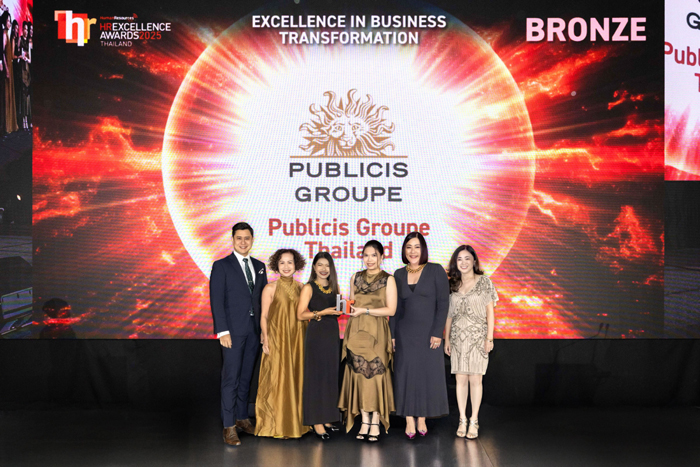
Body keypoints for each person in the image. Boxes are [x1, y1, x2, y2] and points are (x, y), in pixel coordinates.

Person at [210, 222, 268, 446]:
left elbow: (263, 302)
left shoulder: (260, 266)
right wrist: (222, 331)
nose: (243, 242)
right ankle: (229, 426)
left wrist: (264, 330)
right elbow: (217, 300)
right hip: (232, 332)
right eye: (239, 238)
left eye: (247, 238)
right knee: (231, 378)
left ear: (252, 240)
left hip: (254, 332)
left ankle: (242, 418)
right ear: (233, 240)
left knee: (246, 377)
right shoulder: (221, 266)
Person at [391, 232, 450, 439]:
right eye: (409, 247)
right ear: (404, 250)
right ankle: (409, 418)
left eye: (417, 247)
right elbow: (395, 309)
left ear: (423, 249)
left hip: (429, 334)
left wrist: (437, 332)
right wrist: (392, 335)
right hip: (404, 334)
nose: (413, 251)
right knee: (405, 375)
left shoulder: (435, 270)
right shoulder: (398, 274)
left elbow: (443, 304)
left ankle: (422, 417)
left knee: (426, 375)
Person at [338, 240, 397, 442]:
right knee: (359, 375)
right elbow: (352, 304)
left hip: (377, 331)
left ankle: (376, 421)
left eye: (374, 255)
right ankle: (364, 420)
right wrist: (346, 308)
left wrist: (365, 310)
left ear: (382, 257)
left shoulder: (389, 279)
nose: (369, 259)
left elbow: (391, 310)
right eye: (366, 255)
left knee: (376, 374)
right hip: (356, 329)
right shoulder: (355, 277)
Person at [255, 248, 310, 439]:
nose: (286, 266)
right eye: (282, 263)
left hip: (298, 339)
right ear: (276, 266)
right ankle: (276, 425)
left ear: (296, 265)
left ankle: (297, 424)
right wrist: (265, 338)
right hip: (278, 339)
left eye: (290, 262)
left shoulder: (303, 287)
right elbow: (264, 316)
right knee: (278, 379)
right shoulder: (269, 288)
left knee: (296, 378)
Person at [444, 245, 497, 440]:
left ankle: (474, 420)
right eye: (459, 259)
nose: (463, 262)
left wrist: (489, 338)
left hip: (478, 338)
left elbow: (490, 312)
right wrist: (446, 339)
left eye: (467, 258)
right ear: (455, 263)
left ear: (474, 260)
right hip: (458, 338)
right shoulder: (452, 284)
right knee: (460, 380)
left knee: (476, 379)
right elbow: (449, 315)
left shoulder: (484, 282)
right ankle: (462, 419)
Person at [296, 252, 342, 440]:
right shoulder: (309, 287)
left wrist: (342, 310)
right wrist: (321, 313)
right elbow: (300, 314)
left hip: (332, 334)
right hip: (316, 335)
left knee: (329, 376)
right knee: (316, 377)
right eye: (320, 265)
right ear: (314, 267)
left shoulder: (334, 287)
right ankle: (316, 422)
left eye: (327, 265)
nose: (324, 269)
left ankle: (328, 418)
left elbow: (336, 311)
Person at [1, 11, 17, 134]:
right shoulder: (3, 34)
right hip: (7, 69)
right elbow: (2, 53)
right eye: (8, 21)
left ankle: (10, 125)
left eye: (10, 21)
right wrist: (6, 68)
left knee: (10, 94)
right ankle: (6, 126)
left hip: (10, 68)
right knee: (6, 96)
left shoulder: (7, 34)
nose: (9, 23)